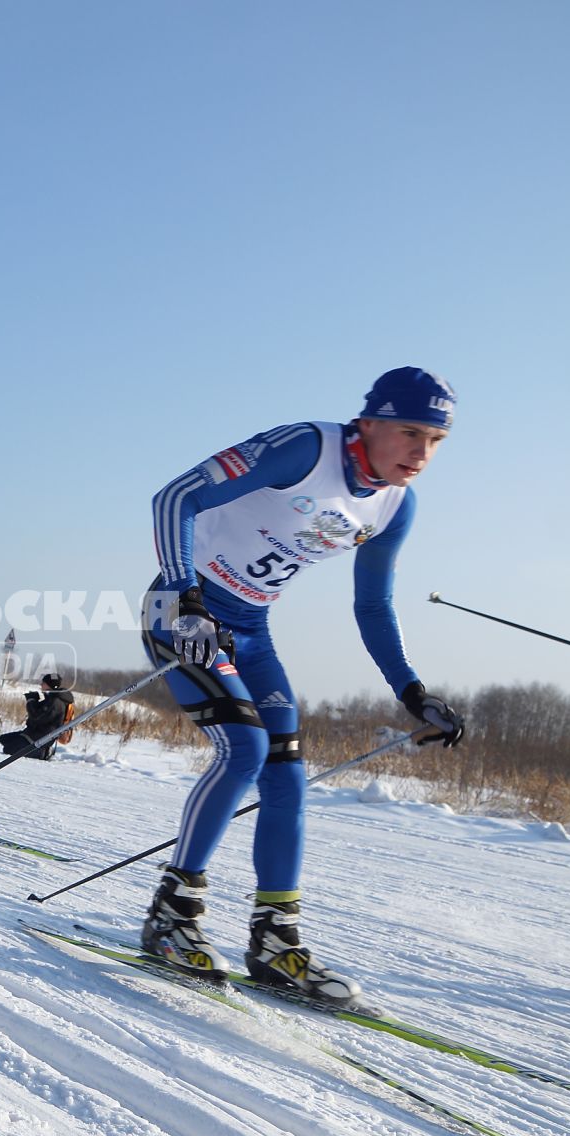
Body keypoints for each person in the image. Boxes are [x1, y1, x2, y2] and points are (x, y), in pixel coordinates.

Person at [138, 367, 467, 1002]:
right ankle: (172, 917)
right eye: (409, 433)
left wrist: (411, 690)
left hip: (252, 628)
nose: (422, 453)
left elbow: (373, 607)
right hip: (185, 609)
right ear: (368, 421)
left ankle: (274, 941)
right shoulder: (305, 448)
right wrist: (186, 592)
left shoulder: (396, 505)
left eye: (436, 439)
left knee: (287, 777)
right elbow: (176, 497)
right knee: (246, 748)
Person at [0, 672, 74, 760]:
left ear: (50, 685)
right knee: (4, 739)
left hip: (40, 737)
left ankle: (43, 753)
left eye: (44, 683)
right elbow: (41, 713)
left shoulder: (56, 701)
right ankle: (35, 748)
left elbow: (37, 718)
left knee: (8, 749)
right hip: (33, 733)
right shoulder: (52, 697)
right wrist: (35, 700)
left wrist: (31, 701)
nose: (41, 684)